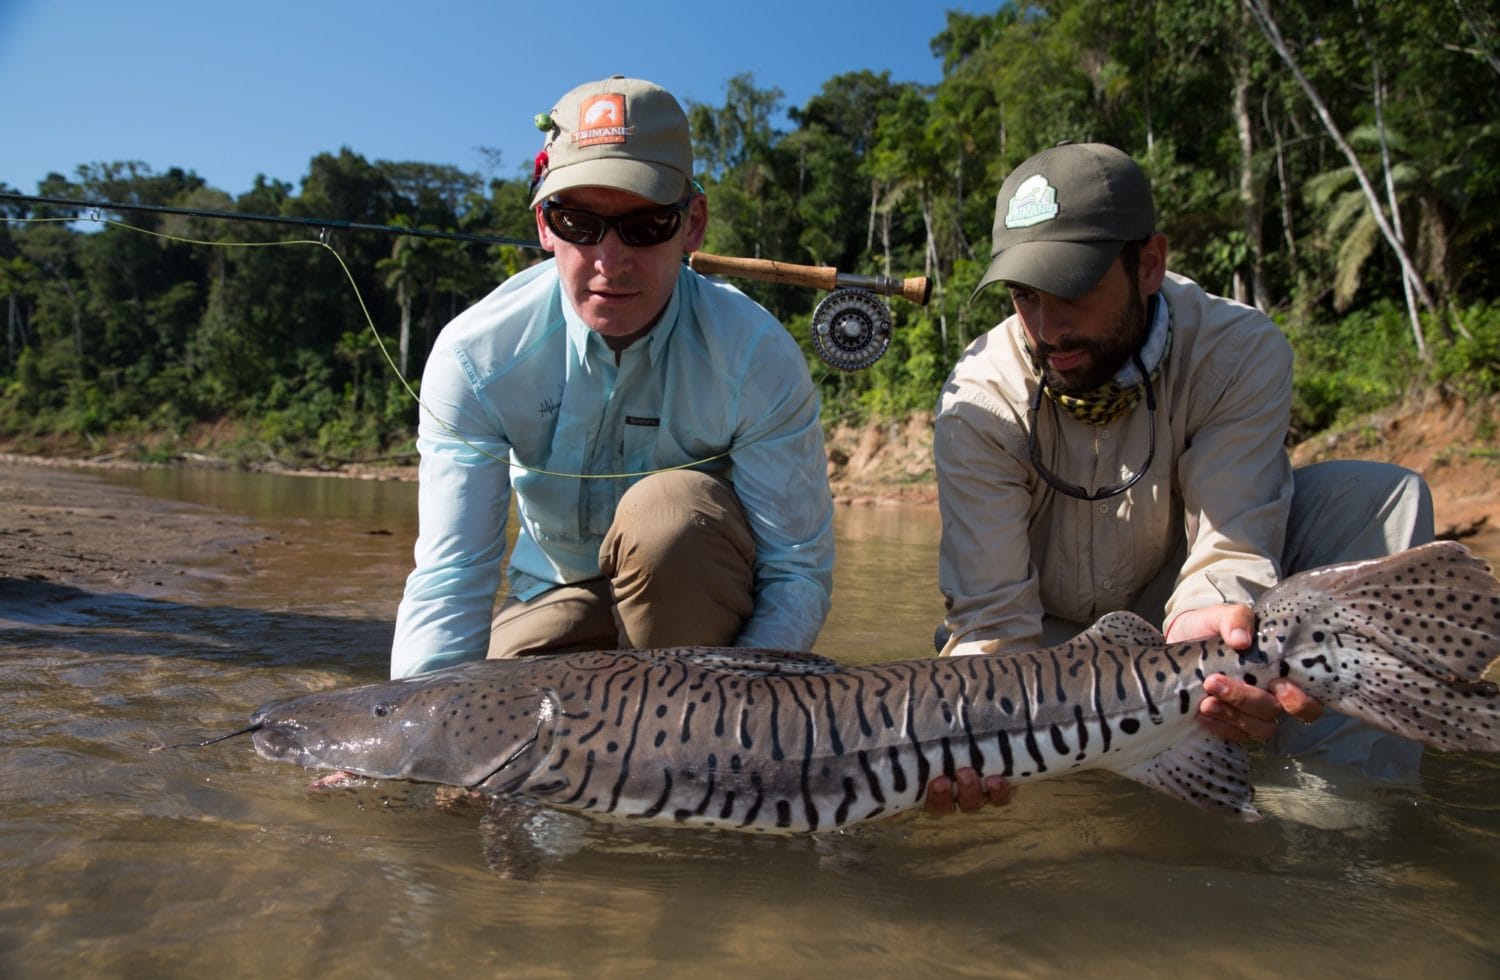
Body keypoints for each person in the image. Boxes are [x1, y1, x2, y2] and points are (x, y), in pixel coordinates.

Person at [927, 141, 1433, 813]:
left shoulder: (1239, 349)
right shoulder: (977, 399)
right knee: (965, 716)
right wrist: (966, 737)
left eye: (1074, 289)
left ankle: (1338, 802)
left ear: (1150, 264)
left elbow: (1233, 544)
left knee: (1380, 497)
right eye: (1025, 296)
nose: (1049, 329)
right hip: (1045, 649)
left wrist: (1213, 641)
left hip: (1189, 624)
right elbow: (993, 621)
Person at [391, 76, 834, 678]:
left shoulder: (756, 357)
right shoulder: (476, 356)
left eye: (646, 225)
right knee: (479, 738)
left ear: (693, 225)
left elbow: (795, 572)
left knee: (667, 516)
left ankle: (694, 717)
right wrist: (416, 731)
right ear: (545, 224)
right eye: (580, 222)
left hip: (705, 614)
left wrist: (751, 701)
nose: (610, 260)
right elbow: (453, 574)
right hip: (554, 597)